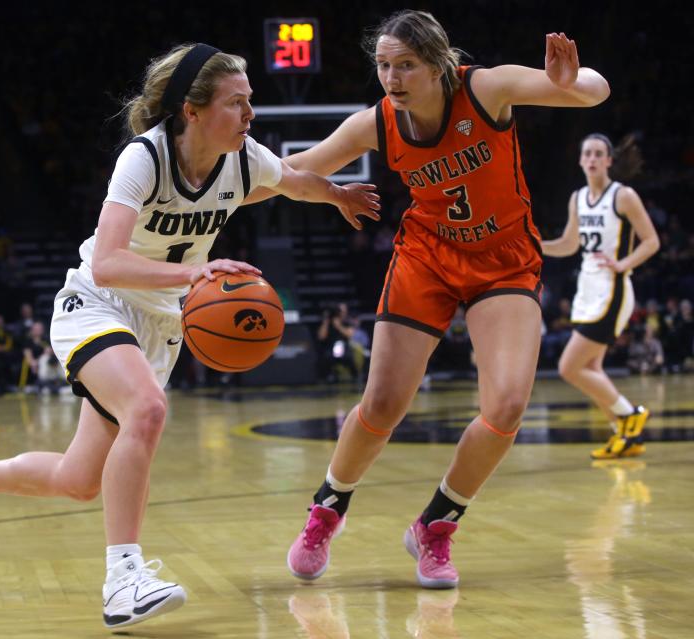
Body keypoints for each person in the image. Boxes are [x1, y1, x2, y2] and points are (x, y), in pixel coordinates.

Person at [0, 42, 379, 629]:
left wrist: (336, 195)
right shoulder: (145, 159)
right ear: (193, 110)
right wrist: (193, 274)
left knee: (79, 481)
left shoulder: (243, 159)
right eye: (237, 103)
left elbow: (293, 181)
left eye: (250, 102)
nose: (250, 115)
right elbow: (106, 261)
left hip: (160, 324)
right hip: (98, 304)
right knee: (149, 410)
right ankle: (122, 579)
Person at [256, 11, 610, 589]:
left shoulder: (485, 88)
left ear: (439, 63)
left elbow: (597, 91)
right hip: (428, 256)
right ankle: (327, 509)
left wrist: (569, 82)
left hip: (504, 261)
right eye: (383, 65)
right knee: (383, 404)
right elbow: (291, 171)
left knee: (507, 408)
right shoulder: (377, 122)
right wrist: (214, 192)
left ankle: (436, 525)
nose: (392, 78)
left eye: (406, 65)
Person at [541, 133, 659, 459]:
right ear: (580, 160)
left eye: (598, 154)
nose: (592, 159)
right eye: (587, 154)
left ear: (609, 161)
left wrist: (623, 264)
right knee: (592, 368)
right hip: (588, 289)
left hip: (614, 289)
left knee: (569, 367)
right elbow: (570, 244)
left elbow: (651, 241)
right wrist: (536, 245)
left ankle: (629, 415)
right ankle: (625, 436)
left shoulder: (623, 196)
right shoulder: (577, 198)